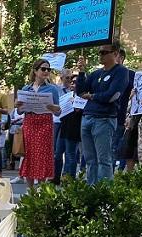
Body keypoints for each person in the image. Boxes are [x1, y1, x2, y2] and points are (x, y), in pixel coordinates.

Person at [76, 40, 129, 184]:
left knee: (103, 159)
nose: (101, 55)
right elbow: (80, 91)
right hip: (87, 118)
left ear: (115, 54)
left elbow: (112, 95)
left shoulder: (121, 72)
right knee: (90, 159)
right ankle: (91, 189)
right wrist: (81, 72)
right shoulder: (95, 73)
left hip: (104, 119)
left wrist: (92, 96)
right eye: (99, 52)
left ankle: (104, 193)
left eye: (105, 52)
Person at [15, 58, 62, 188]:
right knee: (29, 155)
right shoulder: (26, 88)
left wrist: (53, 108)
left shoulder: (52, 89)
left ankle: (41, 189)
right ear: (35, 71)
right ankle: (30, 191)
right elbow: (19, 112)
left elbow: (58, 112)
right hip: (30, 122)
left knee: (42, 155)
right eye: (43, 69)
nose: (46, 71)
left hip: (45, 122)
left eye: (48, 69)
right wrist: (17, 106)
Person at [55, 75, 83, 181]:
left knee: (70, 154)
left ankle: (70, 178)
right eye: (71, 82)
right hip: (64, 126)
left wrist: (75, 103)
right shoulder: (67, 96)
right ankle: (56, 177)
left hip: (74, 129)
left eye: (75, 82)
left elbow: (79, 111)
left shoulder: (83, 96)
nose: (72, 84)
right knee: (58, 153)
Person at [114, 49, 135, 171]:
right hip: (106, 116)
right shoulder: (105, 73)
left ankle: (120, 172)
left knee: (121, 146)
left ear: (120, 58)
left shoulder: (131, 75)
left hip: (122, 117)